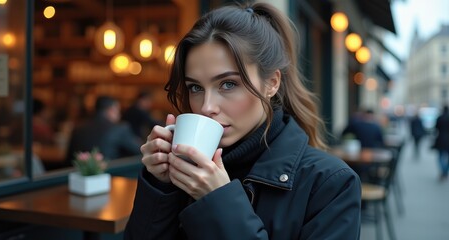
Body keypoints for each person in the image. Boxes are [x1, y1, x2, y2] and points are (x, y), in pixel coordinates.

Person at [124, 3, 361, 240]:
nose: (206, 107)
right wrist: (160, 186)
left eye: (228, 84)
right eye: (195, 87)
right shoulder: (185, 171)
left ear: (271, 83)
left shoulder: (330, 184)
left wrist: (218, 201)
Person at [65, 96, 140, 165]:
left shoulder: (79, 127)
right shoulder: (120, 128)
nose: (119, 115)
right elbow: (139, 151)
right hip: (111, 176)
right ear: (111, 110)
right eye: (118, 110)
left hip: (79, 176)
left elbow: (69, 158)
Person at [432, 105, 449, 181]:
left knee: (440, 156)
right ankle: (445, 171)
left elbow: (436, 128)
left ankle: (443, 171)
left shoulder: (440, 117)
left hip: (441, 139)